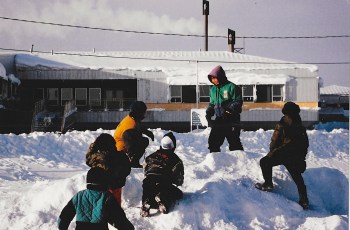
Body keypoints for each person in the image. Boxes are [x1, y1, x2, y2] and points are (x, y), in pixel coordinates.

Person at [255, 102, 310, 210]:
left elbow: (274, 141)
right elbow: (305, 144)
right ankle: (304, 200)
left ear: (285, 112)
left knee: (264, 162)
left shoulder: (282, 124)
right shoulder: (300, 126)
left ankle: (268, 184)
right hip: (294, 156)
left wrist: (271, 153)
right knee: (298, 178)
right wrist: (301, 159)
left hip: (282, 153)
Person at [57, 167, 134, 230]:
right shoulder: (107, 197)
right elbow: (120, 220)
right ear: (104, 181)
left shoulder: (79, 196)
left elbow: (63, 217)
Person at [140, 132, 184, 217]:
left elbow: (145, 170)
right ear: (173, 145)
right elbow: (179, 181)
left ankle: (147, 202)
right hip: (163, 182)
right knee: (178, 194)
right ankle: (162, 199)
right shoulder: (176, 160)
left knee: (148, 190)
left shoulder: (151, 156)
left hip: (148, 181)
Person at [205, 65, 244, 152]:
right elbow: (212, 103)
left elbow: (238, 101)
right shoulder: (213, 90)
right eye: (212, 78)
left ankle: (240, 162)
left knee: (234, 143)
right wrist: (209, 112)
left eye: (215, 78)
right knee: (213, 142)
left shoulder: (232, 87)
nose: (214, 80)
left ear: (221, 77)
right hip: (219, 119)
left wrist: (229, 110)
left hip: (232, 119)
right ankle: (215, 161)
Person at [86, 133, 131, 206]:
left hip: (101, 186)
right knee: (116, 206)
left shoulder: (98, 157)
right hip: (117, 185)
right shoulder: (121, 156)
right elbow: (127, 169)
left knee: (101, 206)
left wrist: (93, 145)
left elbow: (88, 160)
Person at [113, 101, 154, 168]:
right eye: (144, 112)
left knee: (142, 141)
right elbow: (129, 142)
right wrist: (131, 155)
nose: (144, 114)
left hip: (123, 143)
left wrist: (148, 133)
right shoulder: (130, 126)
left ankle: (133, 161)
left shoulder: (132, 119)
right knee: (143, 141)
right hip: (120, 148)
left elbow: (138, 127)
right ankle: (132, 162)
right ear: (139, 112)